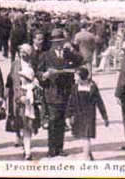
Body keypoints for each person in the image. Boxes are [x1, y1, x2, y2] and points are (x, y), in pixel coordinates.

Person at [38, 28, 83, 157]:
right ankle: (52, 148)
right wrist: (45, 74)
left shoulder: (68, 53)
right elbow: (39, 72)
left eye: (61, 41)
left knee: (62, 121)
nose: (59, 44)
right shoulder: (45, 55)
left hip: (66, 91)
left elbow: (80, 60)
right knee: (53, 120)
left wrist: (72, 50)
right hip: (52, 91)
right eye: (56, 42)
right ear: (52, 42)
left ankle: (60, 147)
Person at [5, 44, 41, 160]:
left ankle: (27, 150)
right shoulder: (15, 64)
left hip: (30, 98)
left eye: (25, 52)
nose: (23, 54)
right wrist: (5, 97)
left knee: (28, 125)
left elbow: (38, 79)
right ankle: (18, 137)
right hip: (17, 97)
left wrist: (36, 86)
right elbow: (9, 81)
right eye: (21, 51)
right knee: (18, 121)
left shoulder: (34, 64)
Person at [66, 67, 109, 160]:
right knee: (83, 137)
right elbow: (71, 103)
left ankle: (85, 158)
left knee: (86, 137)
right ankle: (89, 154)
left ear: (81, 77)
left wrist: (105, 117)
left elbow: (99, 102)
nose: (74, 78)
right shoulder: (75, 87)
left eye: (76, 76)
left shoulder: (92, 87)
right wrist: (68, 116)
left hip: (89, 116)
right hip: (78, 115)